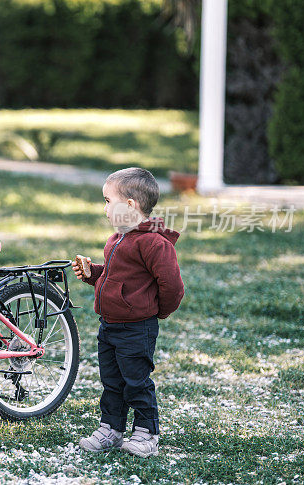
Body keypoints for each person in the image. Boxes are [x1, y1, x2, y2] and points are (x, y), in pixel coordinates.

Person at [73, 167, 184, 457]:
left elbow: (172, 286)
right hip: (108, 326)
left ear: (131, 205)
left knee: (136, 381)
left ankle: (147, 433)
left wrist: (157, 312)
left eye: (108, 200)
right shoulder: (116, 238)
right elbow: (115, 277)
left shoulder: (154, 243)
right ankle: (111, 428)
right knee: (112, 381)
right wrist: (92, 273)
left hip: (137, 328)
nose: (105, 208)